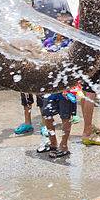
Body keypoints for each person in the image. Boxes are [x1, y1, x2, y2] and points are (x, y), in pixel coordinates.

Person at [13, 0, 72, 136]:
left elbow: (22, 26)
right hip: (53, 50)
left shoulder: (31, 2)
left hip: (33, 50)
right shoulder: (60, 1)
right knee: (48, 86)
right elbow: (67, 25)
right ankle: (48, 122)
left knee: (27, 85)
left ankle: (28, 121)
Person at [36, 11, 76, 158]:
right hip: (50, 86)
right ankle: (52, 142)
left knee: (66, 116)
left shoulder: (73, 44)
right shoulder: (48, 42)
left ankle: (64, 145)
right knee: (47, 115)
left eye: (64, 26)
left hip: (66, 87)